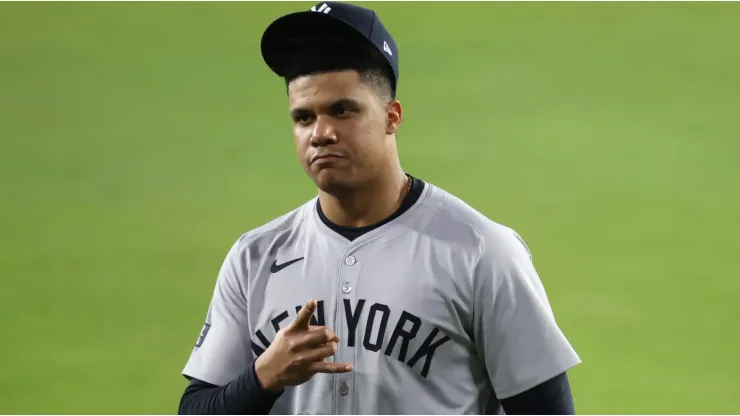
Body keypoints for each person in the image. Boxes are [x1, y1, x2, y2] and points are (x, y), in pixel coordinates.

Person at [178, 2, 581, 414]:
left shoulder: (481, 251)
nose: (320, 134)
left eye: (342, 110)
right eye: (302, 118)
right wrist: (262, 378)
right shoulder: (254, 258)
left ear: (392, 116)